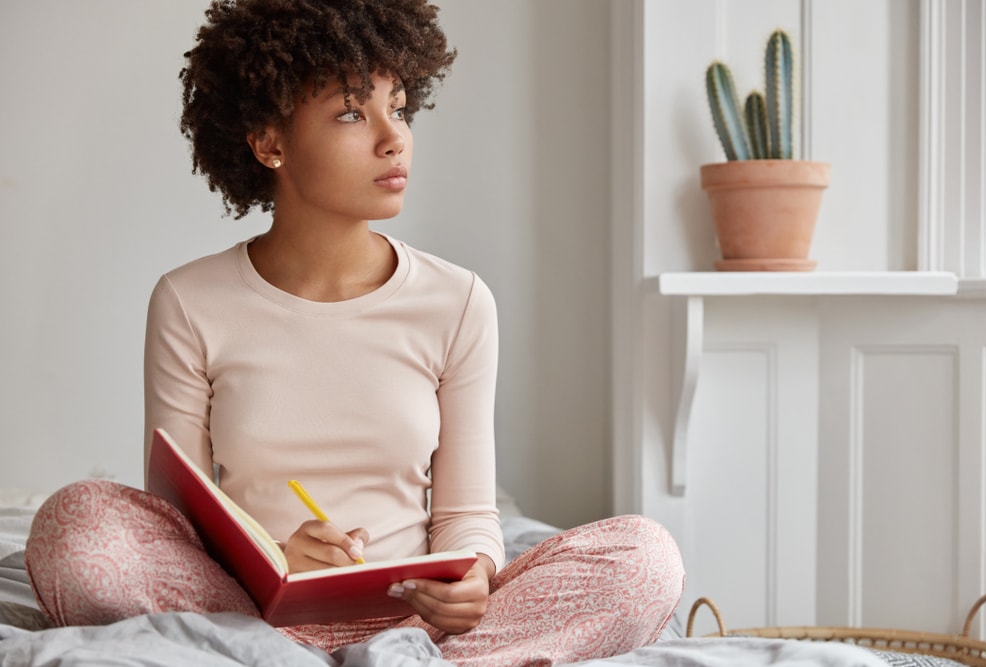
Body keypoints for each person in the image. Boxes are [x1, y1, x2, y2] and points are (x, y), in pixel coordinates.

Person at [24, 1, 685, 665]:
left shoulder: (458, 301)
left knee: (645, 560)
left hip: (418, 622)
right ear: (269, 142)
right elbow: (178, 523)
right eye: (350, 112)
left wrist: (477, 576)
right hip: (249, 611)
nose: (392, 136)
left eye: (397, 107)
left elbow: (466, 515)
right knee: (73, 527)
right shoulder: (189, 301)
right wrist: (275, 558)